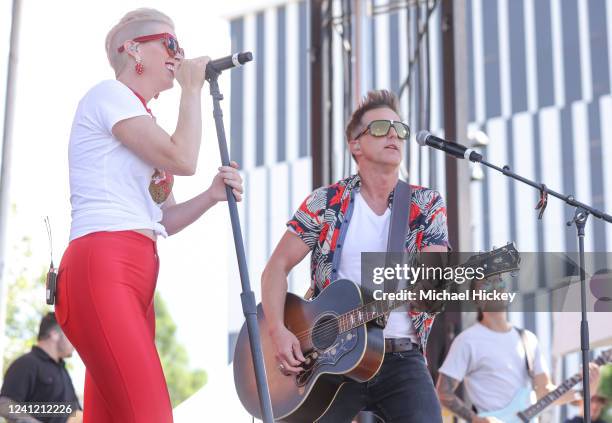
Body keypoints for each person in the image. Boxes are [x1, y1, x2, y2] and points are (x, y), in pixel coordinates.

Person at [55, 8, 243, 422]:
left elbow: (165, 220)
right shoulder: (109, 95)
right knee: (150, 415)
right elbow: (183, 158)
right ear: (133, 48)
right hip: (102, 265)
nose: (178, 56)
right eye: (170, 44)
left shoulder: (142, 120)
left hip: (136, 274)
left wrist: (212, 196)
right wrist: (192, 90)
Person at [261, 90, 449, 422]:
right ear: (355, 145)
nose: (393, 134)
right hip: (326, 360)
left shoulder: (426, 205)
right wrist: (278, 331)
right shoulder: (326, 202)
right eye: (380, 128)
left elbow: (430, 291)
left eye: (400, 129)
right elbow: (276, 267)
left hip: (401, 358)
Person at [436, 278, 601, 423]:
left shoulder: (528, 338)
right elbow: (443, 392)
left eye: (500, 282)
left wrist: (583, 392)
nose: (496, 288)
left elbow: (544, 392)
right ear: (477, 300)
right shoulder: (467, 341)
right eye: (487, 286)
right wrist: (476, 419)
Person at [0, 312, 82, 423]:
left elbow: (75, 412)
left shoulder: (62, 370)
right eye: (69, 334)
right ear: (54, 334)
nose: (74, 342)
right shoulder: (26, 363)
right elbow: (5, 404)